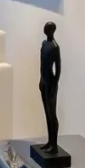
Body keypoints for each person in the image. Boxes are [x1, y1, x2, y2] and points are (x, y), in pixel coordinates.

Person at [39, 21, 61, 153]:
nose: (45, 30)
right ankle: (50, 141)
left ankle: (54, 143)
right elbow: (41, 63)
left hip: (51, 83)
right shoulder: (44, 44)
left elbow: (58, 69)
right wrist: (41, 80)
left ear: (52, 31)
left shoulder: (55, 47)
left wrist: (54, 84)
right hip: (43, 81)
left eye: (47, 29)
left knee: (52, 114)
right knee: (47, 113)